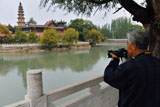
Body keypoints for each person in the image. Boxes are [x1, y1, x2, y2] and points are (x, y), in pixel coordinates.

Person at [104, 30, 160, 107]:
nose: (127, 48)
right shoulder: (157, 62)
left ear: (133, 46)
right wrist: (130, 60)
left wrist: (115, 60)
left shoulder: (129, 67)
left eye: (128, 45)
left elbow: (108, 76)